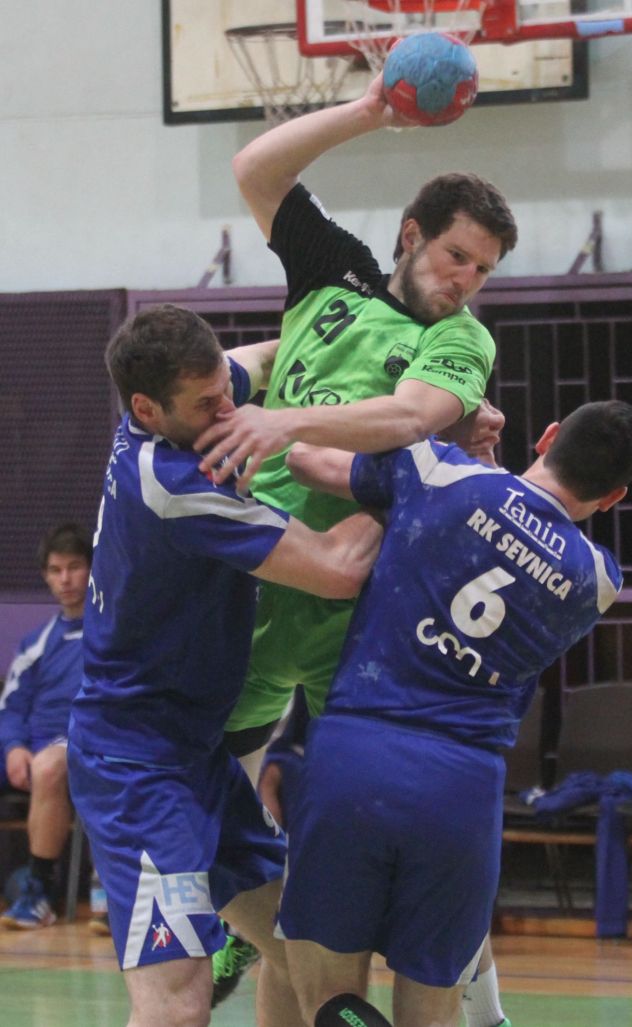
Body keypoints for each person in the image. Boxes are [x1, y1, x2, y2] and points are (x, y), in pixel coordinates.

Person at [197, 73, 518, 1019]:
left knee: (398, 858)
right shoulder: (333, 270)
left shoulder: (463, 342)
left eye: (483, 270)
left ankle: (487, 1011)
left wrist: (282, 420)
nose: (464, 281)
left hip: (359, 612)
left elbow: (413, 415)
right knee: (211, 825)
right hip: (256, 581)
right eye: (456, 256)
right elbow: (255, 168)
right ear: (413, 235)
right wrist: (373, 110)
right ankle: (248, 928)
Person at [277, 399, 632, 1027]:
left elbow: (305, 459)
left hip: (356, 757)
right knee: (433, 1015)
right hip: (462, 790)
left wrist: (433, 428)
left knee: (326, 999)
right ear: (613, 497)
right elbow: (517, 528)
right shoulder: (598, 579)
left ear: (548, 436)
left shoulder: (438, 472)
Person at [66, 304, 381, 1027]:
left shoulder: (185, 402)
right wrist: (410, 474)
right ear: (147, 409)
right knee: (178, 1006)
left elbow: (265, 358)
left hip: (195, 756)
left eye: (223, 390)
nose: (228, 410)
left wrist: (356, 334)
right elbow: (337, 569)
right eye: (208, 404)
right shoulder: (176, 486)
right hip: (137, 772)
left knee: (302, 944)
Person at [0, 523, 91, 931]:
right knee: (40, 762)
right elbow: (11, 706)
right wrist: (13, 747)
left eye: (74, 567)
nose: (65, 579)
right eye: (56, 570)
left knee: (49, 766)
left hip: (82, 745)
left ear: (92, 570)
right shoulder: (36, 643)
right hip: (32, 747)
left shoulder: (113, 634)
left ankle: (37, 892)